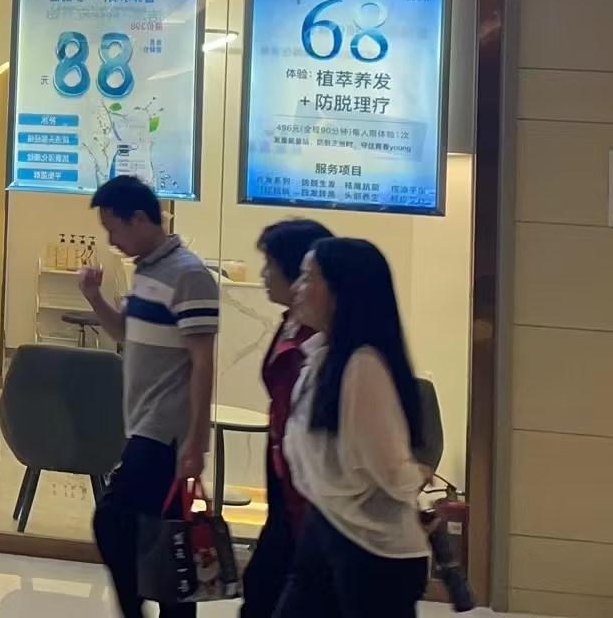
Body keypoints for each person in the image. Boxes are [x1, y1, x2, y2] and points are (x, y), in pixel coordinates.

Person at [77, 174, 218, 618]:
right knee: (164, 539)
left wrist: (196, 440)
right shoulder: (147, 272)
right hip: (143, 425)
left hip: (166, 432)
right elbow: (126, 333)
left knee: (114, 520)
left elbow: (203, 361)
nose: (112, 241)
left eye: (114, 229)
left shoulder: (189, 275)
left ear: (139, 219)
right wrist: (95, 297)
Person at [280, 238, 432, 618]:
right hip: (327, 525)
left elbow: (390, 468)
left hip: (372, 548)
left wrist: (417, 478)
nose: (296, 288)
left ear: (340, 291)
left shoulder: (362, 366)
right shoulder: (322, 358)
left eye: (308, 278)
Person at [241, 218, 334, 618]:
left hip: (308, 483)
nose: (263, 275)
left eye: (270, 265)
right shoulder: (289, 325)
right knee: (263, 584)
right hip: (281, 466)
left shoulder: (323, 340)